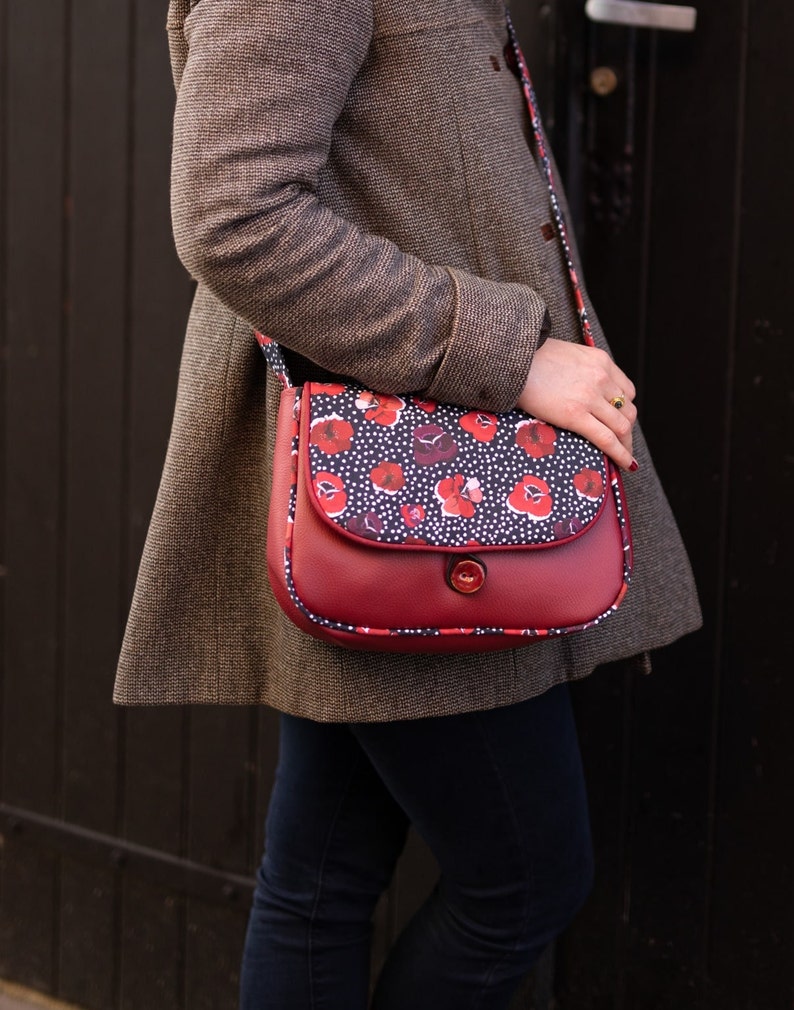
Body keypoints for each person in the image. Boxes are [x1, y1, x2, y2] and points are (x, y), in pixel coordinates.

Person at [115, 0, 702, 1006]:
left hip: (414, 488)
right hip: (409, 488)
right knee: (523, 879)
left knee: (319, 879)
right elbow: (233, 217)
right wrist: (506, 353)